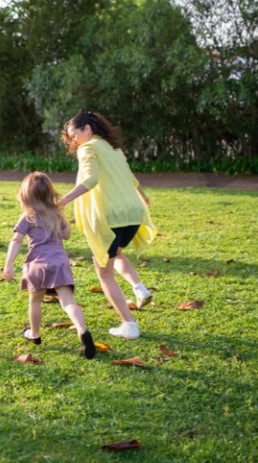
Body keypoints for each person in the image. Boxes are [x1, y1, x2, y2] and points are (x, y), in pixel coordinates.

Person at [59, 111, 157, 341]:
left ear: (87, 130)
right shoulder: (113, 148)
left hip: (111, 217)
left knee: (104, 272)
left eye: (75, 135)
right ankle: (139, 288)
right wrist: (143, 196)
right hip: (132, 213)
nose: (74, 141)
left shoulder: (88, 147)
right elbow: (130, 176)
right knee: (116, 253)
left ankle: (129, 325)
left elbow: (90, 180)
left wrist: (63, 200)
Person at [1, 172, 96, 359]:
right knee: (68, 302)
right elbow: (67, 235)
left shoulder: (27, 216)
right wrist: (62, 217)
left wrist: (9, 265)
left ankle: (34, 334)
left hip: (36, 264)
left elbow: (16, 240)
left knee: (35, 300)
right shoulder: (56, 214)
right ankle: (82, 329)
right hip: (59, 263)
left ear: (25, 196)